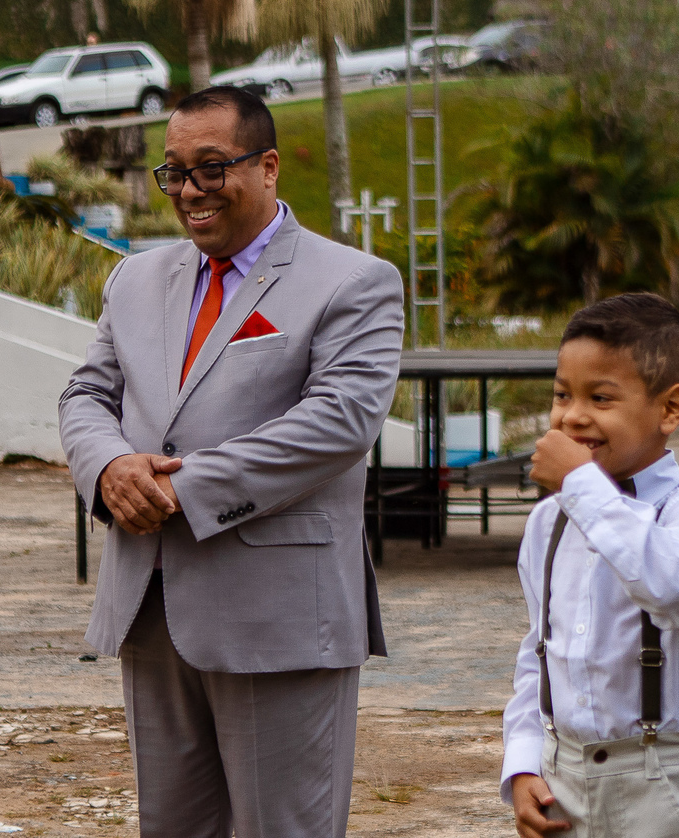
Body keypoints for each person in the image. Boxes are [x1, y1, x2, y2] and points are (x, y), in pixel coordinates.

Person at [58, 86, 403, 837]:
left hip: (277, 616)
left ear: (268, 166)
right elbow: (86, 394)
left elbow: (339, 421)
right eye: (174, 172)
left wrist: (180, 489)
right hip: (150, 605)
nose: (190, 190)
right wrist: (110, 470)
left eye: (212, 168)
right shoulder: (133, 278)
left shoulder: (353, 281)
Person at [501, 293, 679, 838]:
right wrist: (523, 761)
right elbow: (540, 652)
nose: (572, 415)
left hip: (665, 780)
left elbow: (671, 587)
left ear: (670, 409)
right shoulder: (549, 522)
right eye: (562, 394)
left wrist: (580, 484)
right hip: (562, 779)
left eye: (601, 398)